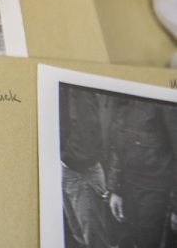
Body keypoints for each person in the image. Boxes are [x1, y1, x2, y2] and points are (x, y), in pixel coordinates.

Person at [107, 97, 177, 248]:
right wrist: (116, 189)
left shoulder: (162, 100)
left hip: (156, 191)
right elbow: (117, 142)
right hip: (127, 188)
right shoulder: (122, 98)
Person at [59, 83, 109, 248]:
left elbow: (87, 133)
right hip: (66, 166)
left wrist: (68, 157)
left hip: (79, 170)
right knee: (77, 234)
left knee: (94, 239)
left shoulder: (79, 89)